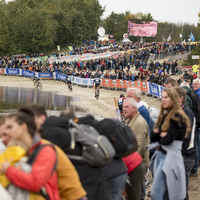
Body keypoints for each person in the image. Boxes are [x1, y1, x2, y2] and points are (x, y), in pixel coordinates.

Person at [18, 105, 87, 200]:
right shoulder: (62, 130)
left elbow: (36, 182)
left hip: (78, 191)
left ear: (41, 119)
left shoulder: (46, 141)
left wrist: (8, 170)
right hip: (88, 184)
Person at [0, 110, 60, 200]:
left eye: (10, 127)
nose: (7, 132)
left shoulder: (45, 150)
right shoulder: (19, 150)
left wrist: (8, 170)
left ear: (23, 127)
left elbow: (36, 182)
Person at [150, 88, 190, 200]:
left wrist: (160, 135)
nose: (163, 100)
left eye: (166, 97)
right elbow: (153, 136)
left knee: (157, 193)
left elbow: (168, 139)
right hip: (160, 155)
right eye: (162, 97)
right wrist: (160, 135)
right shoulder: (165, 114)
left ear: (173, 99)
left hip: (169, 158)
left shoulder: (177, 116)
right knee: (166, 193)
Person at [122, 98, 147, 200]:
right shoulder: (130, 120)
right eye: (123, 107)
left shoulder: (139, 123)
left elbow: (139, 147)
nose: (124, 109)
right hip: (133, 164)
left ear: (134, 108)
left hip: (136, 165)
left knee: (136, 194)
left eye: (127, 107)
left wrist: (128, 163)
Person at [174, 87, 196, 200]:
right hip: (180, 154)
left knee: (182, 189)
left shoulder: (186, 113)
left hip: (186, 155)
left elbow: (186, 137)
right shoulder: (177, 111)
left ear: (181, 99)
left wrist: (179, 154)